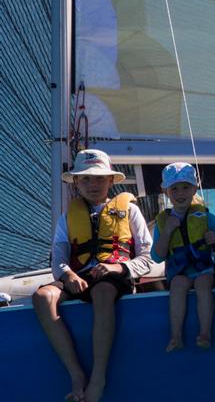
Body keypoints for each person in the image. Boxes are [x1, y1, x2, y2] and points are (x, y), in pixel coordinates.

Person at [32, 149, 153, 402]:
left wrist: (118, 268)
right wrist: (68, 276)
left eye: (99, 178)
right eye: (85, 178)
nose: (92, 184)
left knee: (102, 291)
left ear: (111, 181)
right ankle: (76, 374)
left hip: (114, 278)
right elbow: (59, 259)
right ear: (76, 183)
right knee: (42, 297)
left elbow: (147, 257)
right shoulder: (68, 218)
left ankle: (98, 377)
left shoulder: (130, 211)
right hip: (79, 278)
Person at [151, 162, 215, 352]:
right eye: (174, 189)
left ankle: (205, 333)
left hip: (204, 270)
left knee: (203, 283)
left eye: (185, 187)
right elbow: (157, 257)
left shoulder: (207, 217)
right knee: (177, 284)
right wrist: (167, 232)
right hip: (180, 273)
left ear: (195, 188)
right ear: (165, 191)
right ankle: (176, 336)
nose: (180, 193)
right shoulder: (162, 222)